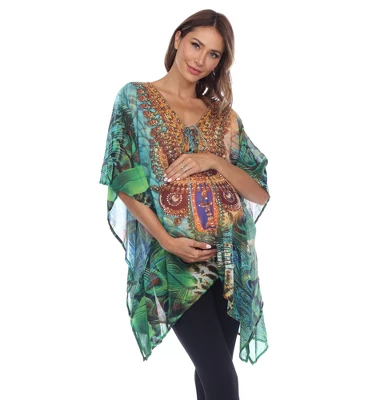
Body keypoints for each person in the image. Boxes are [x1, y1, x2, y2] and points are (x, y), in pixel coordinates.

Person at [99, 9, 270, 400]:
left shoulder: (224, 117)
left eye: (213, 54)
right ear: (178, 38)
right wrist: (166, 240)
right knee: (220, 376)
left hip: (230, 258)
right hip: (174, 261)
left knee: (212, 373)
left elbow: (260, 192)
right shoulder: (134, 98)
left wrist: (215, 161)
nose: (200, 60)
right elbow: (122, 179)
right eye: (196, 45)